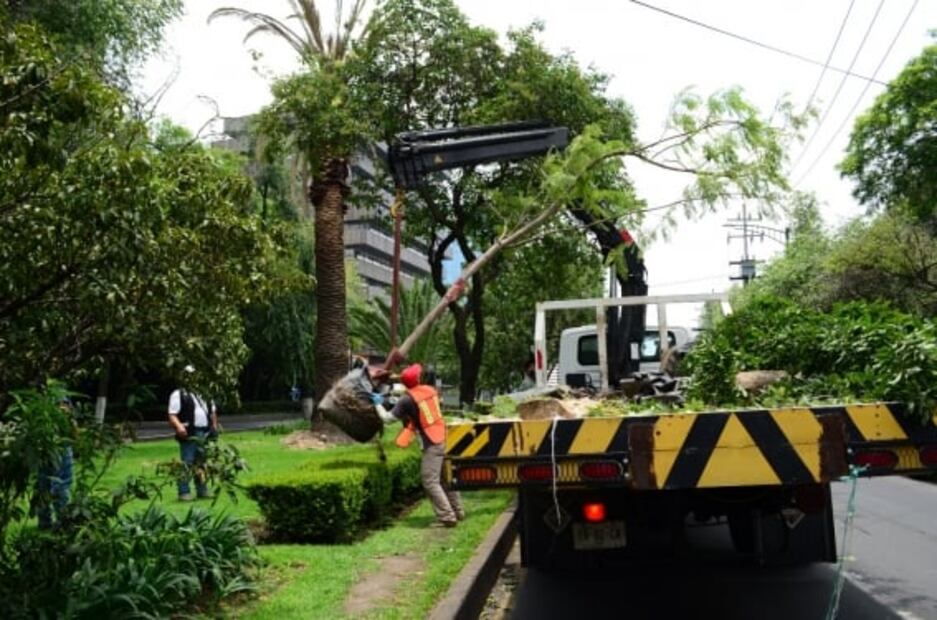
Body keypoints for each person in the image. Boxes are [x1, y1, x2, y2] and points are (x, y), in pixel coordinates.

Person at [372, 363, 465, 528]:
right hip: (443, 435)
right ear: (419, 379)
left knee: (429, 481)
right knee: (445, 478)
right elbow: (413, 402)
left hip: (431, 442)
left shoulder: (406, 400)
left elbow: (387, 418)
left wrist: (378, 403)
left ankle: (447, 517)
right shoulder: (430, 390)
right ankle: (458, 511)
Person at [167, 365, 218, 501]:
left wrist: (214, 427)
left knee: (202, 462)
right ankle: (184, 492)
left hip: (204, 432)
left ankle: (202, 490)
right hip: (189, 432)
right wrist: (179, 427)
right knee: (187, 462)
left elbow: (212, 412)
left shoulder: (205, 394)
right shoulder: (179, 394)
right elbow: (172, 414)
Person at [36, 396, 74, 530]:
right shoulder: (60, 402)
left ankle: (49, 521)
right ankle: (58, 521)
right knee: (57, 484)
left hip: (52, 448)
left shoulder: (42, 400)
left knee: (48, 484)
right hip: (55, 448)